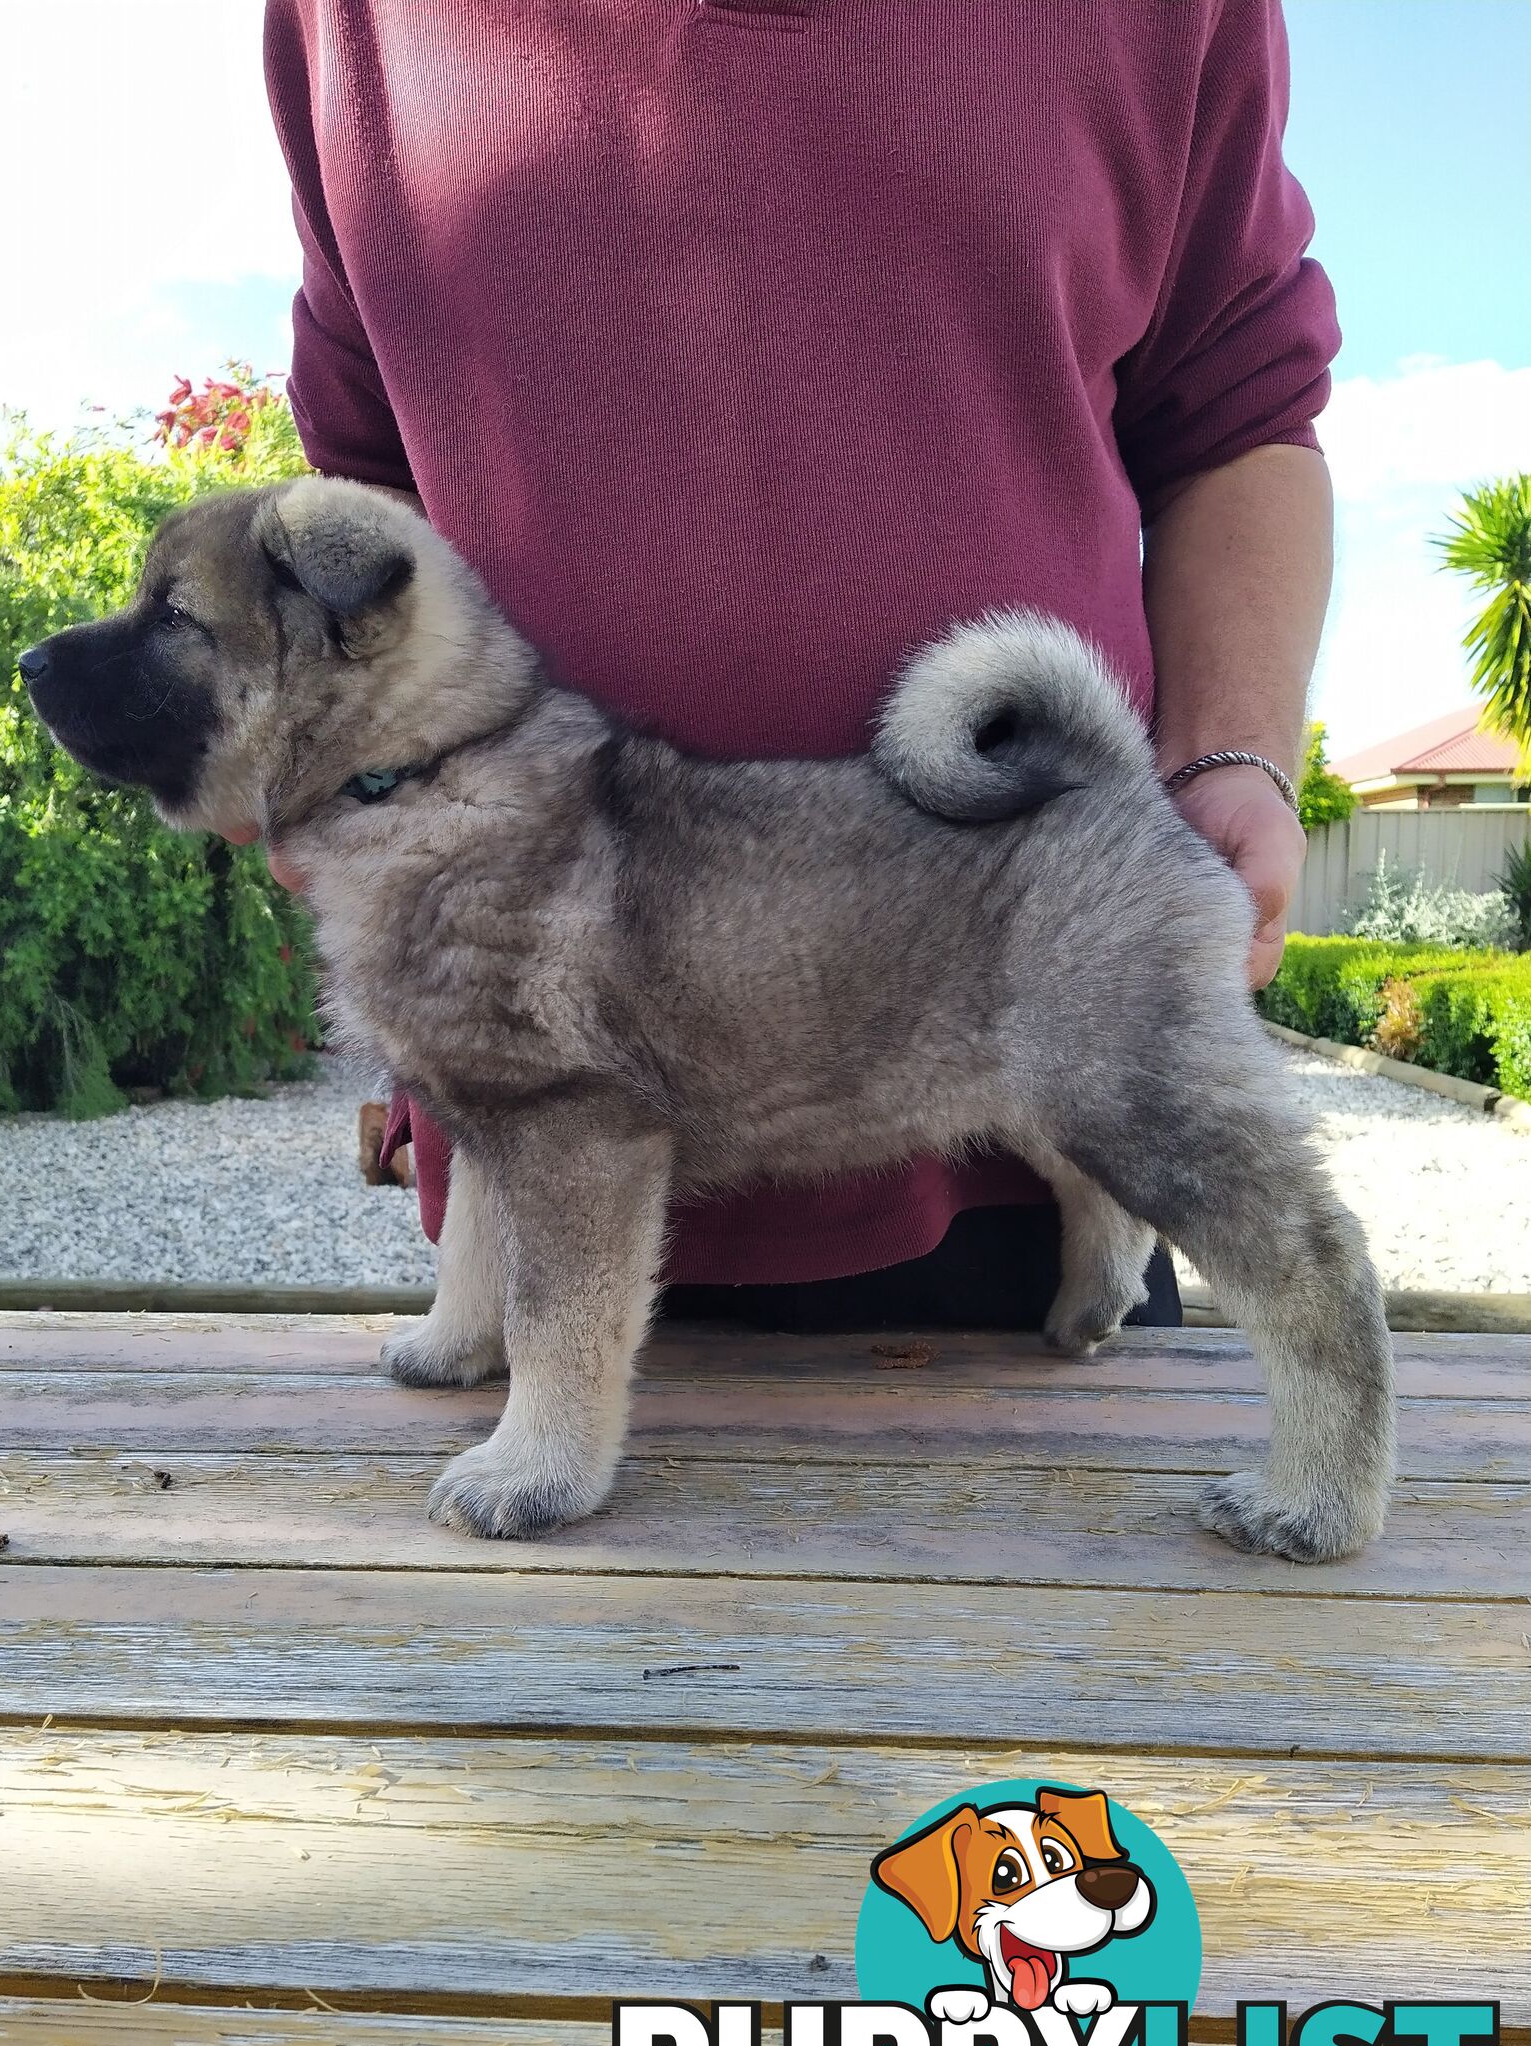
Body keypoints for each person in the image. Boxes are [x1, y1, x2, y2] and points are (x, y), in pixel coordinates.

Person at [255, 0, 1336, 1333]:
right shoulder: (342, 19)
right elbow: (362, 464)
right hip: (537, 1154)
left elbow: (1241, 408)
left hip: (1036, 1115)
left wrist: (1233, 754)